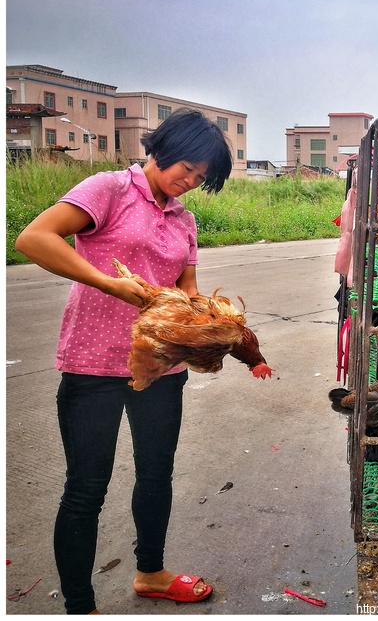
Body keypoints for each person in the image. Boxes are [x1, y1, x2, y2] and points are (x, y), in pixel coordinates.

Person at [15, 107, 232, 614]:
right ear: (165, 146)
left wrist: (209, 322)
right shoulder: (110, 188)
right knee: (86, 486)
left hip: (161, 366)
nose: (190, 181)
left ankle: (151, 573)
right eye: (189, 167)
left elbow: (187, 285)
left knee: (156, 475)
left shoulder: (185, 218)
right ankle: (79, 604)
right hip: (93, 362)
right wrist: (108, 282)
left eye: (202, 178)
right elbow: (34, 239)